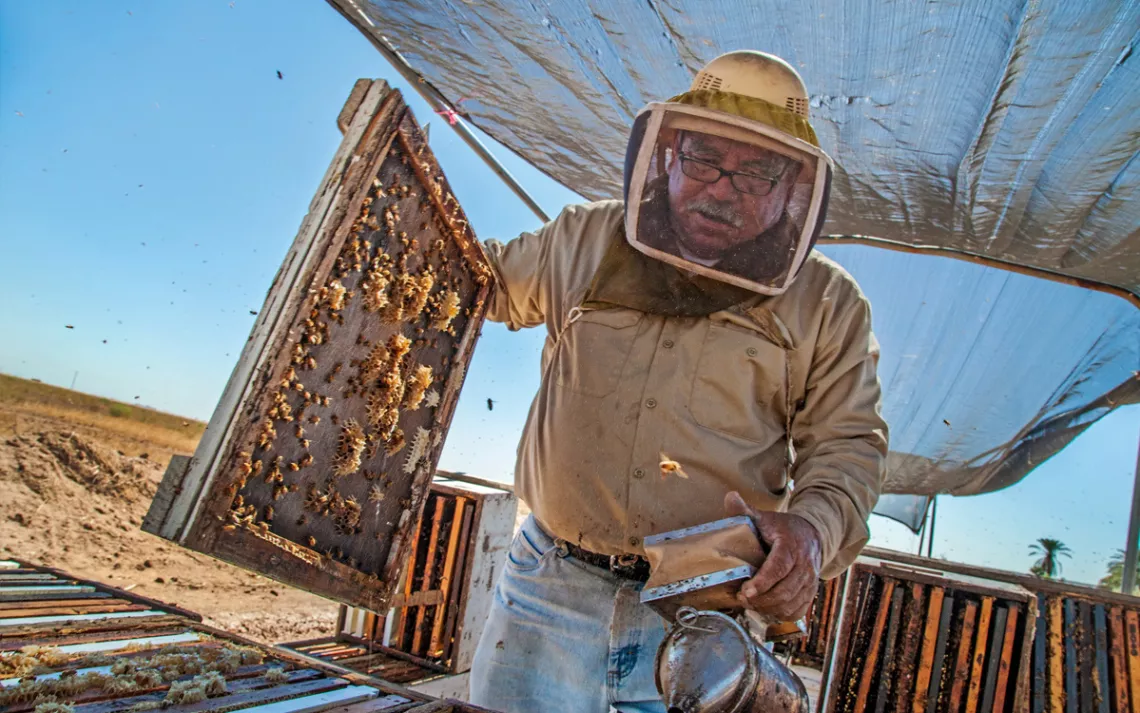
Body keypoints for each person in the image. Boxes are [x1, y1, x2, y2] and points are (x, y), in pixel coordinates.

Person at [470, 50, 888, 713]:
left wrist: (809, 532)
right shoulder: (582, 239)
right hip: (548, 588)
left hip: (704, 621)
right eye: (703, 159)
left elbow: (847, 445)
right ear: (667, 153)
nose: (722, 189)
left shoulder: (829, 305)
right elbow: (473, 282)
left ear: (792, 190)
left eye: (756, 173)